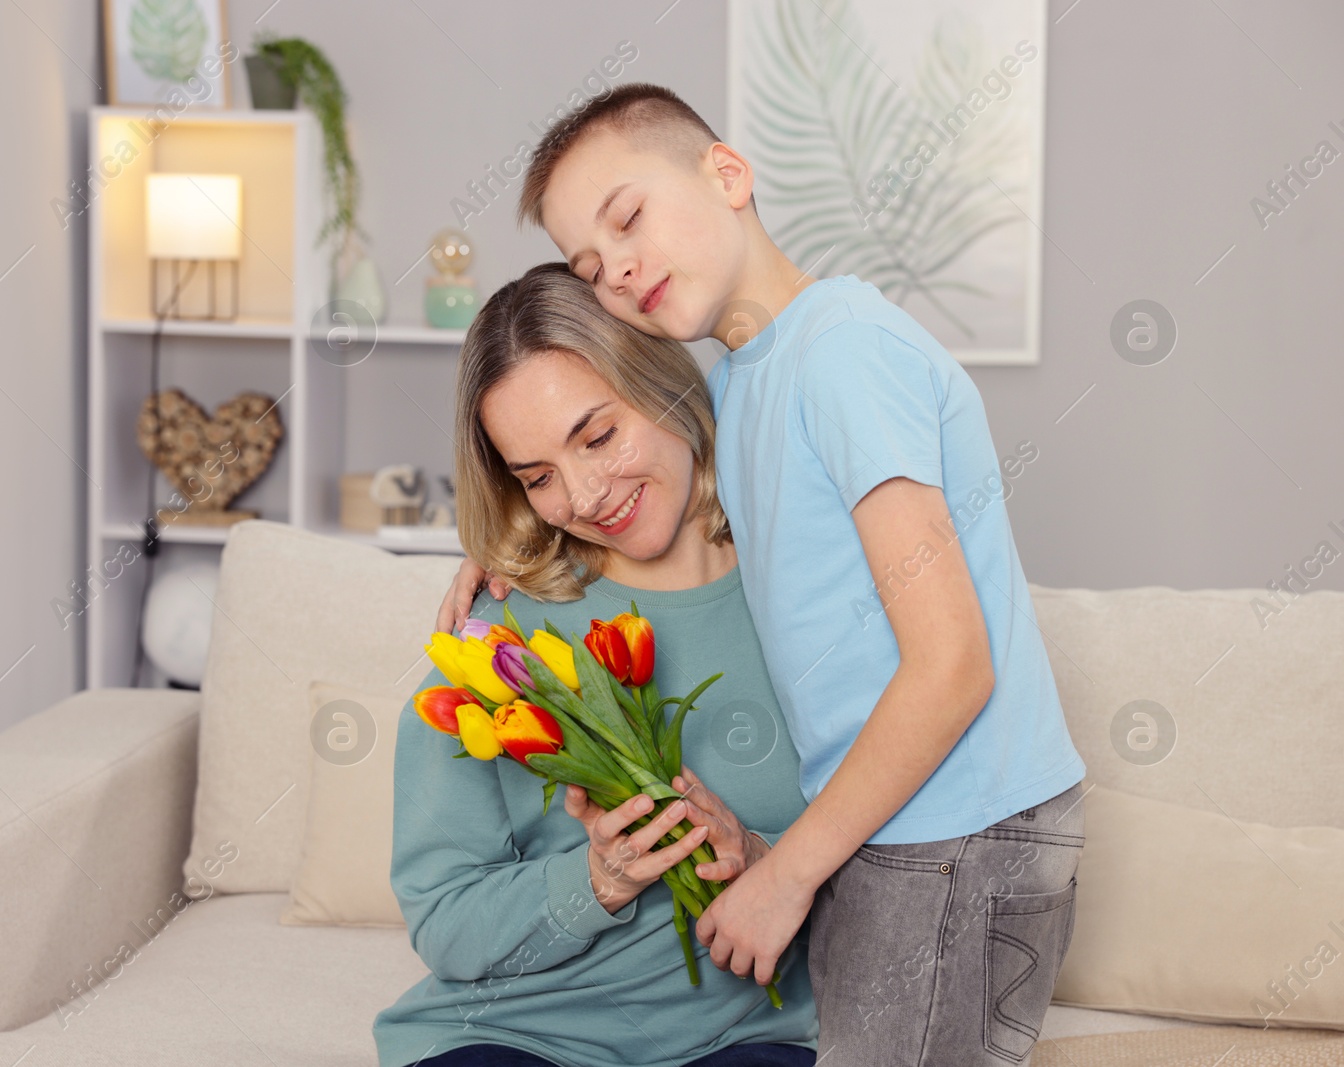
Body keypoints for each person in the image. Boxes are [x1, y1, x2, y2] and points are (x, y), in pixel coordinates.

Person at [436, 83, 1087, 1065]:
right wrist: (504, 544)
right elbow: (644, 507)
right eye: (592, 265)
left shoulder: (843, 354)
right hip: (896, 829)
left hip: (959, 832)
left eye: (630, 218)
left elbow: (952, 664)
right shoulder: (746, 380)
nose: (620, 269)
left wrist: (786, 879)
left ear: (728, 174)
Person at [373, 263, 818, 1067]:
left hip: (749, 1037)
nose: (581, 495)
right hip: (513, 1034)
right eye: (536, 475)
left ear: (666, 384)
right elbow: (444, 920)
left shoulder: (812, 595)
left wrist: (760, 860)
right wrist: (596, 879)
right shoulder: (496, 639)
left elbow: (914, 866)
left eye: (599, 435)